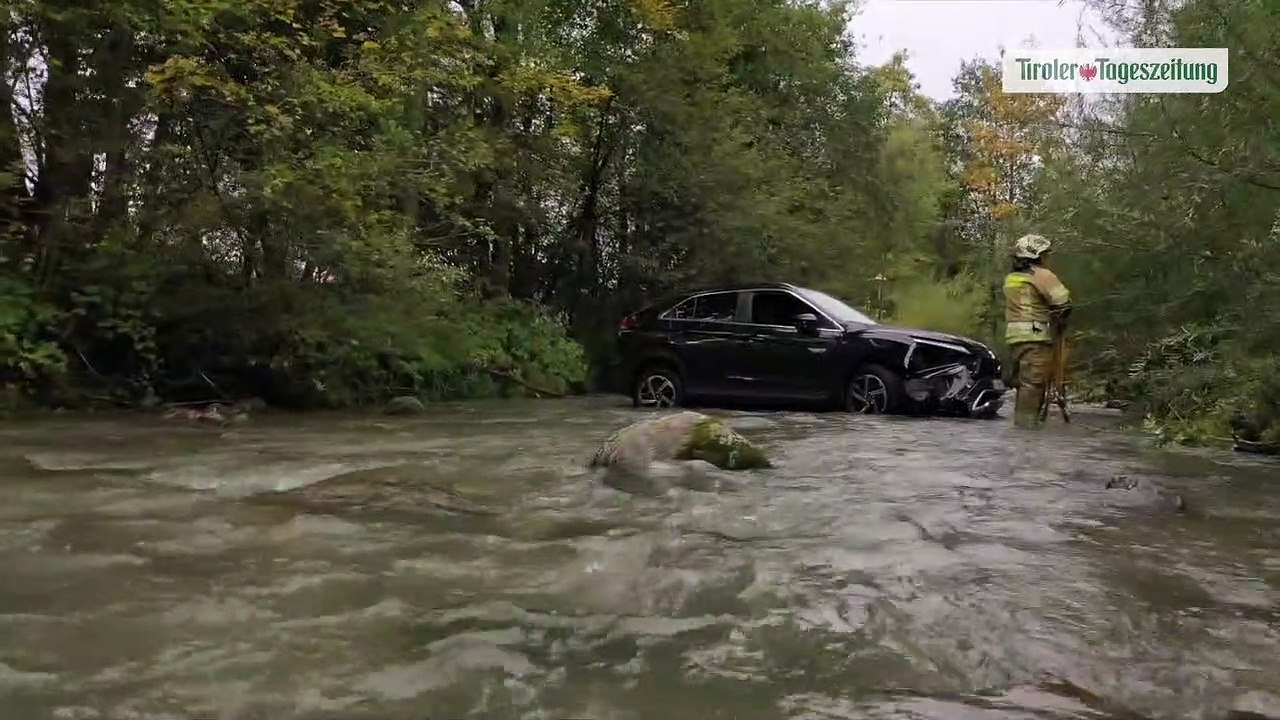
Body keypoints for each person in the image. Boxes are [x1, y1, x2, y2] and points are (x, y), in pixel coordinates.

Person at [1003, 234, 1072, 428]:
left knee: (1024, 383)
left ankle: (1023, 425)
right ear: (1037, 254)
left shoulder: (1012, 277)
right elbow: (1063, 305)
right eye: (1045, 254)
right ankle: (1025, 430)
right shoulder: (1042, 275)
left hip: (1015, 338)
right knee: (1032, 384)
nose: (1048, 257)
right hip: (1036, 337)